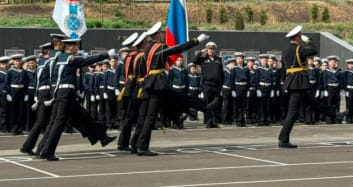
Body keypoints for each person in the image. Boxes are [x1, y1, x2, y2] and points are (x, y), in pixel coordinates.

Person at [135, 22, 210, 156]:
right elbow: (177, 49)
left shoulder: (148, 49)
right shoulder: (159, 47)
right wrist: (196, 41)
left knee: (154, 113)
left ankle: (140, 144)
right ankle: (204, 107)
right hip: (157, 83)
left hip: (149, 83)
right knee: (158, 111)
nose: (163, 35)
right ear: (157, 35)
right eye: (161, 33)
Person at [38, 38, 117, 161]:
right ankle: (47, 151)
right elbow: (87, 61)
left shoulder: (60, 58)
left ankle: (102, 137)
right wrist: (106, 55)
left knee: (82, 116)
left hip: (64, 93)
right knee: (58, 122)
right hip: (64, 94)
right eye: (75, 45)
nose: (77, 48)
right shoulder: (69, 59)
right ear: (69, 47)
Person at [278, 26, 345, 149]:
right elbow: (314, 50)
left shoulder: (286, 50)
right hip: (299, 82)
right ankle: (283, 139)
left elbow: (283, 68)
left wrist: (284, 82)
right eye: (300, 36)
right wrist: (308, 40)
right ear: (298, 37)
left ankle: (336, 115)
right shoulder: (299, 49)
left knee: (313, 103)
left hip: (292, 81)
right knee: (293, 112)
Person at [193, 41, 224, 128]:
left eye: (212, 49)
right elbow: (194, 61)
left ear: (215, 50)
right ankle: (208, 121)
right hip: (207, 85)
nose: (211, 50)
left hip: (217, 85)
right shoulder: (203, 59)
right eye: (209, 49)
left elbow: (221, 73)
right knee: (207, 104)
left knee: (216, 104)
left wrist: (221, 86)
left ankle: (214, 121)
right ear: (207, 49)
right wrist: (201, 52)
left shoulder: (218, 59)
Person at [0, 56, 11, 133]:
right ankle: (3, 127)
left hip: (10, 94)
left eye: (6, 63)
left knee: (9, 111)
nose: (5, 65)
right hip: (2, 94)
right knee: (2, 111)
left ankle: (8, 126)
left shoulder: (9, 73)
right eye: (3, 64)